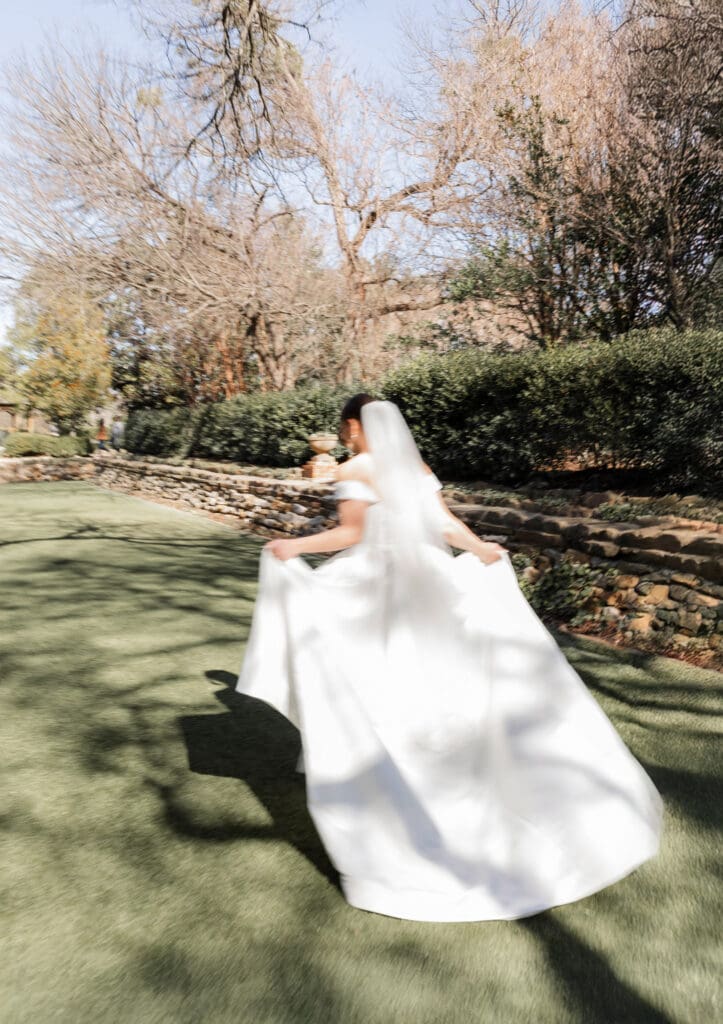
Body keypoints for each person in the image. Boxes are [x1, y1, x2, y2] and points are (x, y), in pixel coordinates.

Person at [236, 395, 663, 922]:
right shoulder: (416, 468)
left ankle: (395, 779)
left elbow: (353, 534)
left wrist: (291, 547)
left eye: (346, 429)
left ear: (352, 426)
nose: (346, 437)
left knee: (371, 681)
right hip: (434, 584)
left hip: (378, 591)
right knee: (447, 685)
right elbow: (444, 525)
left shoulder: (355, 467)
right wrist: (483, 548)